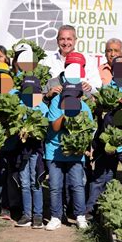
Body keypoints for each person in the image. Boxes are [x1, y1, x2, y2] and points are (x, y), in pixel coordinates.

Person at [45, 82, 92, 230]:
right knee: (55, 185)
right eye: (66, 97)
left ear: (80, 97)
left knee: (77, 184)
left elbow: (89, 130)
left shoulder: (85, 107)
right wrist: (66, 115)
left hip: (75, 152)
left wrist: (86, 148)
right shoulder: (55, 102)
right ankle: (55, 217)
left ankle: (80, 216)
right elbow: (55, 127)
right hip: (54, 150)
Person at [15, 77, 49, 229]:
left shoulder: (42, 108)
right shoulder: (18, 106)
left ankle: (38, 215)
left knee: (36, 181)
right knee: (24, 182)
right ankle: (26, 214)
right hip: (21, 151)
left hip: (36, 149)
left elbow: (45, 129)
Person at [41, 25, 101, 92]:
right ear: (57, 41)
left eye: (69, 39)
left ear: (75, 40)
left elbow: (97, 86)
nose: (65, 43)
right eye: (62, 39)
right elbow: (42, 88)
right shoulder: (47, 62)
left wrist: (90, 87)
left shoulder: (88, 60)